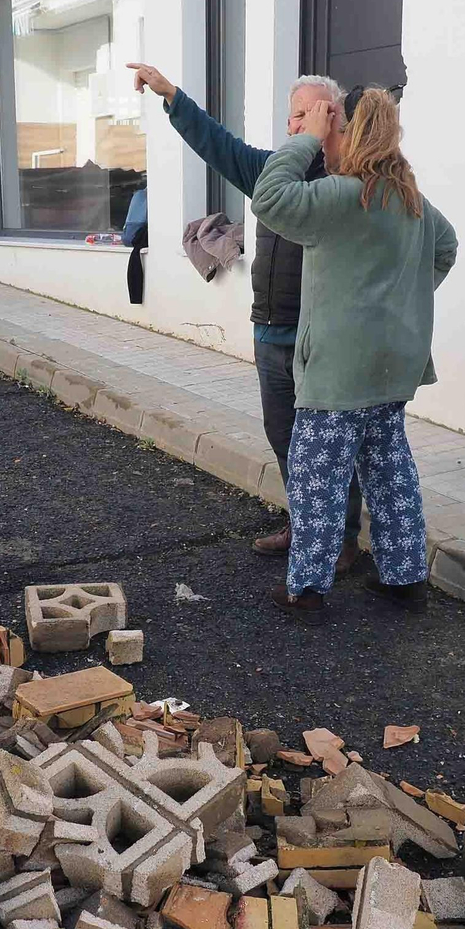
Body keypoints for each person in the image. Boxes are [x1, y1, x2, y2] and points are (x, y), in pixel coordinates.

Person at [129, 61, 362, 576]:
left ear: (330, 115)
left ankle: (343, 538)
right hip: (269, 332)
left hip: (318, 339)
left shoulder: (346, 180)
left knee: (327, 447)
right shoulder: (274, 172)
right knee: (284, 439)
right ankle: (306, 524)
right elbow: (219, 145)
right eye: (289, 117)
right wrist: (173, 97)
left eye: (302, 116)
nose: (291, 127)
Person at [249, 88, 457, 619]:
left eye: (333, 127)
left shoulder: (345, 195)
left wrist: (306, 140)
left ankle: (307, 590)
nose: (327, 137)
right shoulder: (408, 198)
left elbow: (270, 198)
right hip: (393, 366)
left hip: (339, 371)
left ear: (350, 130)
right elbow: (446, 246)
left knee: (315, 474)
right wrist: (404, 300)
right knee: (389, 470)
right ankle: (405, 581)